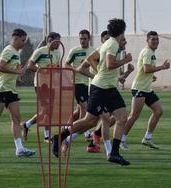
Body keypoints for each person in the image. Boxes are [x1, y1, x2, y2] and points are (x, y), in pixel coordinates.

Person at [52, 18, 132, 166]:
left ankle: (114, 153)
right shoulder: (113, 43)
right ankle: (59, 137)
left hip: (108, 87)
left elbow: (91, 58)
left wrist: (99, 72)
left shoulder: (107, 43)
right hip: (101, 88)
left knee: (122, 118)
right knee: (89, 121)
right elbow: (110, 64)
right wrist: (125, 60)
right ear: (121, 31)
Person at [0, 28, 36, 157]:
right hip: (1, 89)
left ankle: (19, 148)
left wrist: (18, 78)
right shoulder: (9, 50)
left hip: (10, 90)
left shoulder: (16, 53)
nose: (24, 43)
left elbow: (12, 70)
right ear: (15, 38)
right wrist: (17, 72)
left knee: (16, 119)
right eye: (22, 40)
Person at [120, 31, 170, 150]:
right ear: (147, 41)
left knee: (158, 111)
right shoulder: (147, 52)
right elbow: (146, 69)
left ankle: (147, 138)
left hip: (146, 88)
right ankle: (121, 140)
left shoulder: (151, 52)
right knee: (134, 116)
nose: (155, 41)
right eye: (152, 39)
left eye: (157, 39)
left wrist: (151, 76)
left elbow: (145, 70)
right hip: (139, 89)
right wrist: (162, 67)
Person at [21, 32, 61, 142]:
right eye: (57, 41)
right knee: (46, 109)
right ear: (50, 40)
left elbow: (57, 67)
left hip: (52, 84)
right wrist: (43, 71)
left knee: (49, 110)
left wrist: (56, 69)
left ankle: (27, 125)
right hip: (41, 84)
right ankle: (46, 136)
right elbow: (30, 65)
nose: (59, 43)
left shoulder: (57, 52)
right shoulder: (40, 51)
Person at [65, 29, 95, 140]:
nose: (82, 41)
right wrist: (75, 69)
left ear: (89, 39)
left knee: (78, 111)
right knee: (85, 108)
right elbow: (66, 64)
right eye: (81, 38)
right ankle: (86, 132)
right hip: (77, 83)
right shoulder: (75, 51)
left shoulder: (93, 51)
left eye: (85, 39)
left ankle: (66, 127)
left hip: (89, 84)